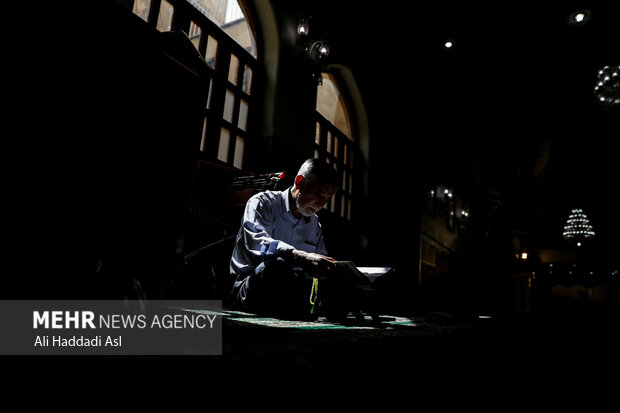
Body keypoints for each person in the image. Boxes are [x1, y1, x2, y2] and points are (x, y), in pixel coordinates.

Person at [228, 158, 339, 319]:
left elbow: (318, 264)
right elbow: (256, 243)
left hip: (291, 289)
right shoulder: (262, 203)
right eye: (319, 194)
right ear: (299, 182)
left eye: (327, 199)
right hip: (249, 286)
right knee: (277, 265)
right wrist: (300, 257)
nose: (322, 204)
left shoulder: (314, 224)